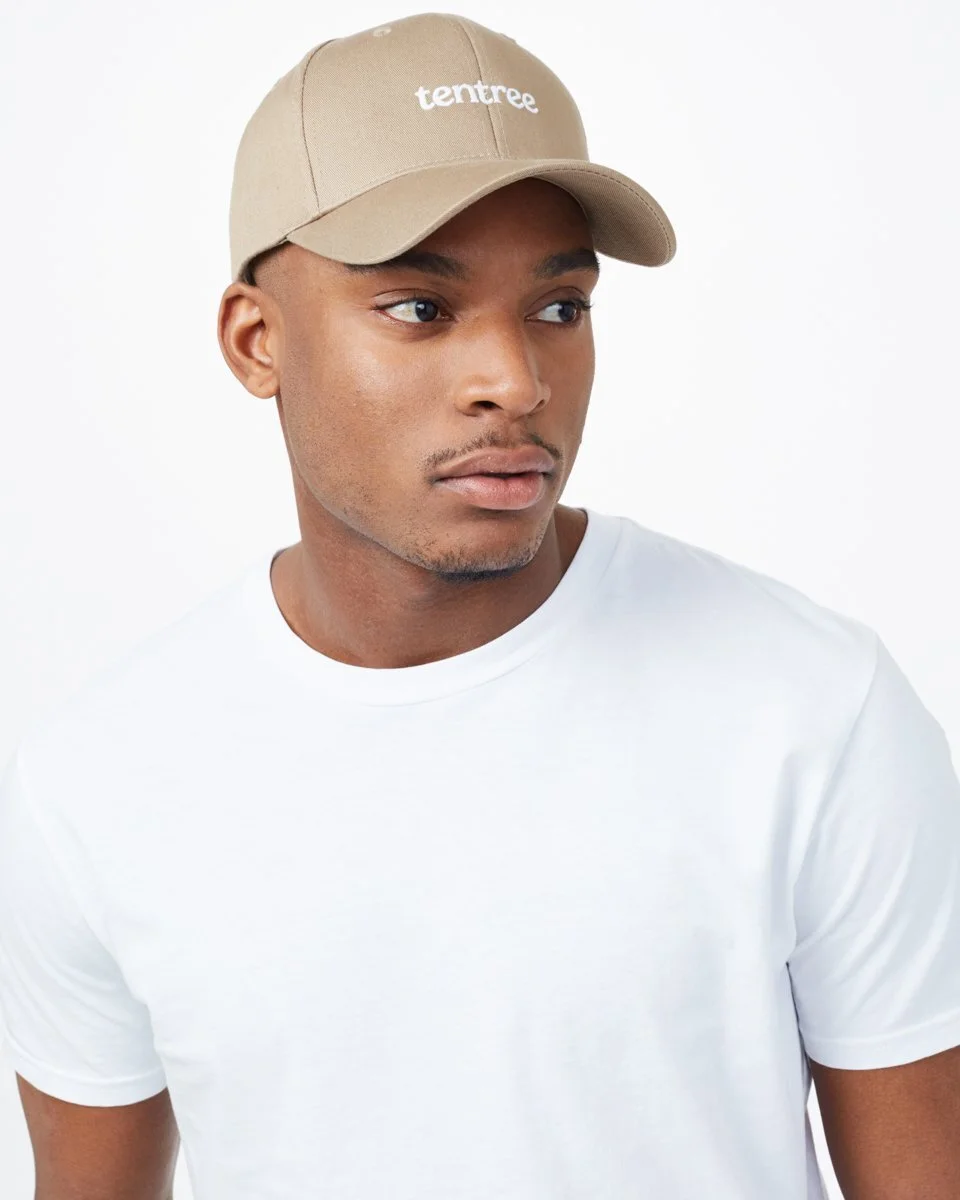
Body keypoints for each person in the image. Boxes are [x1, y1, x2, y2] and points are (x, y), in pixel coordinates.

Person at [1, 12, 958, 1200]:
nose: (515, 380)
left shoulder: (811, 712)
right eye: (420, 308)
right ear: (256, 341)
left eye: (560, 307)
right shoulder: (96, 786)